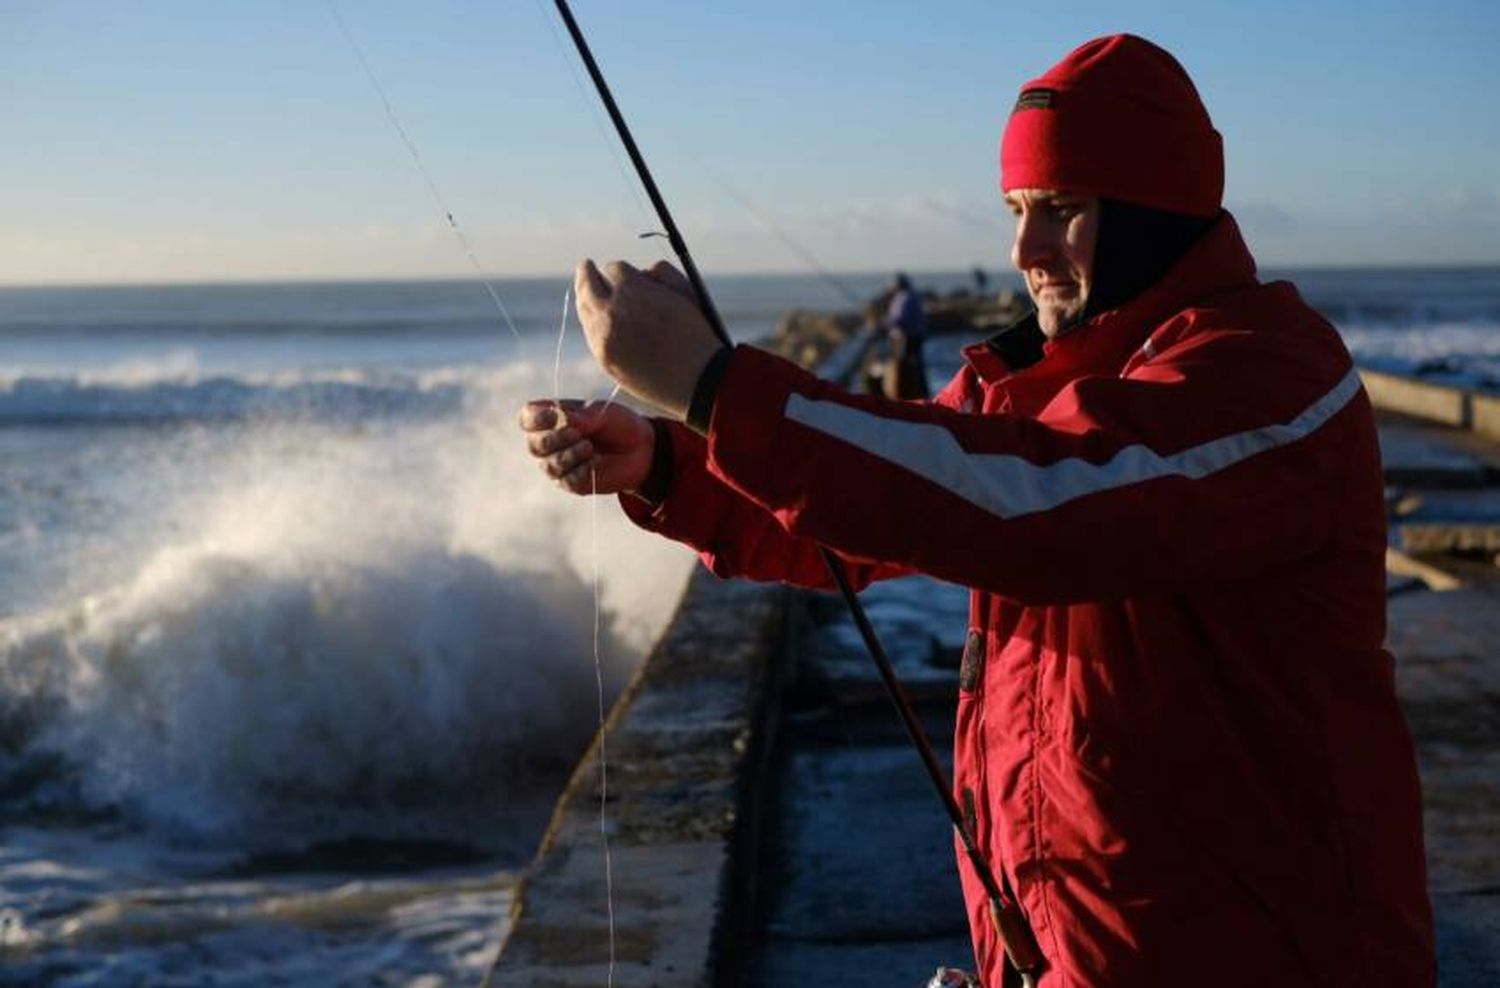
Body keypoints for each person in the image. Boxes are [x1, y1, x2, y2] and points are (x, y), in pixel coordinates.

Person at [519, 34, 1434, 987]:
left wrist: (719, 387)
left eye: (1062, 211)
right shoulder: (1031, 388)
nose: (1022, 251)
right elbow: (871, 511)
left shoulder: (1273, 375)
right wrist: (673, 464)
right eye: (1016, 211)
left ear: (1155, 214)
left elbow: (1043, 509)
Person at [880, 272, 930, 400]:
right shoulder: (907, 295)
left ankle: (906, 395)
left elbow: (901, 319)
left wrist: (884, 323)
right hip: (911, 337)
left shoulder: (905, 297)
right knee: (913, 366)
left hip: (907, 338)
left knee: (906, 367)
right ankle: (915, 393)